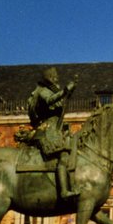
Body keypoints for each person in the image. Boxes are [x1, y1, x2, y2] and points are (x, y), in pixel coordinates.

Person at [25, 67, 78, 199]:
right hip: (47, 130)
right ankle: (64, 191)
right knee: (63, 156)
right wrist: (65, 90)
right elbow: (50, 100)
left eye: (56, 77)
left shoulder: (51, 91)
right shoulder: (43, 91)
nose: (56, 79)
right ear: (48, 78)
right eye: (53, 77)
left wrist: (69, 92)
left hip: (56, 129)